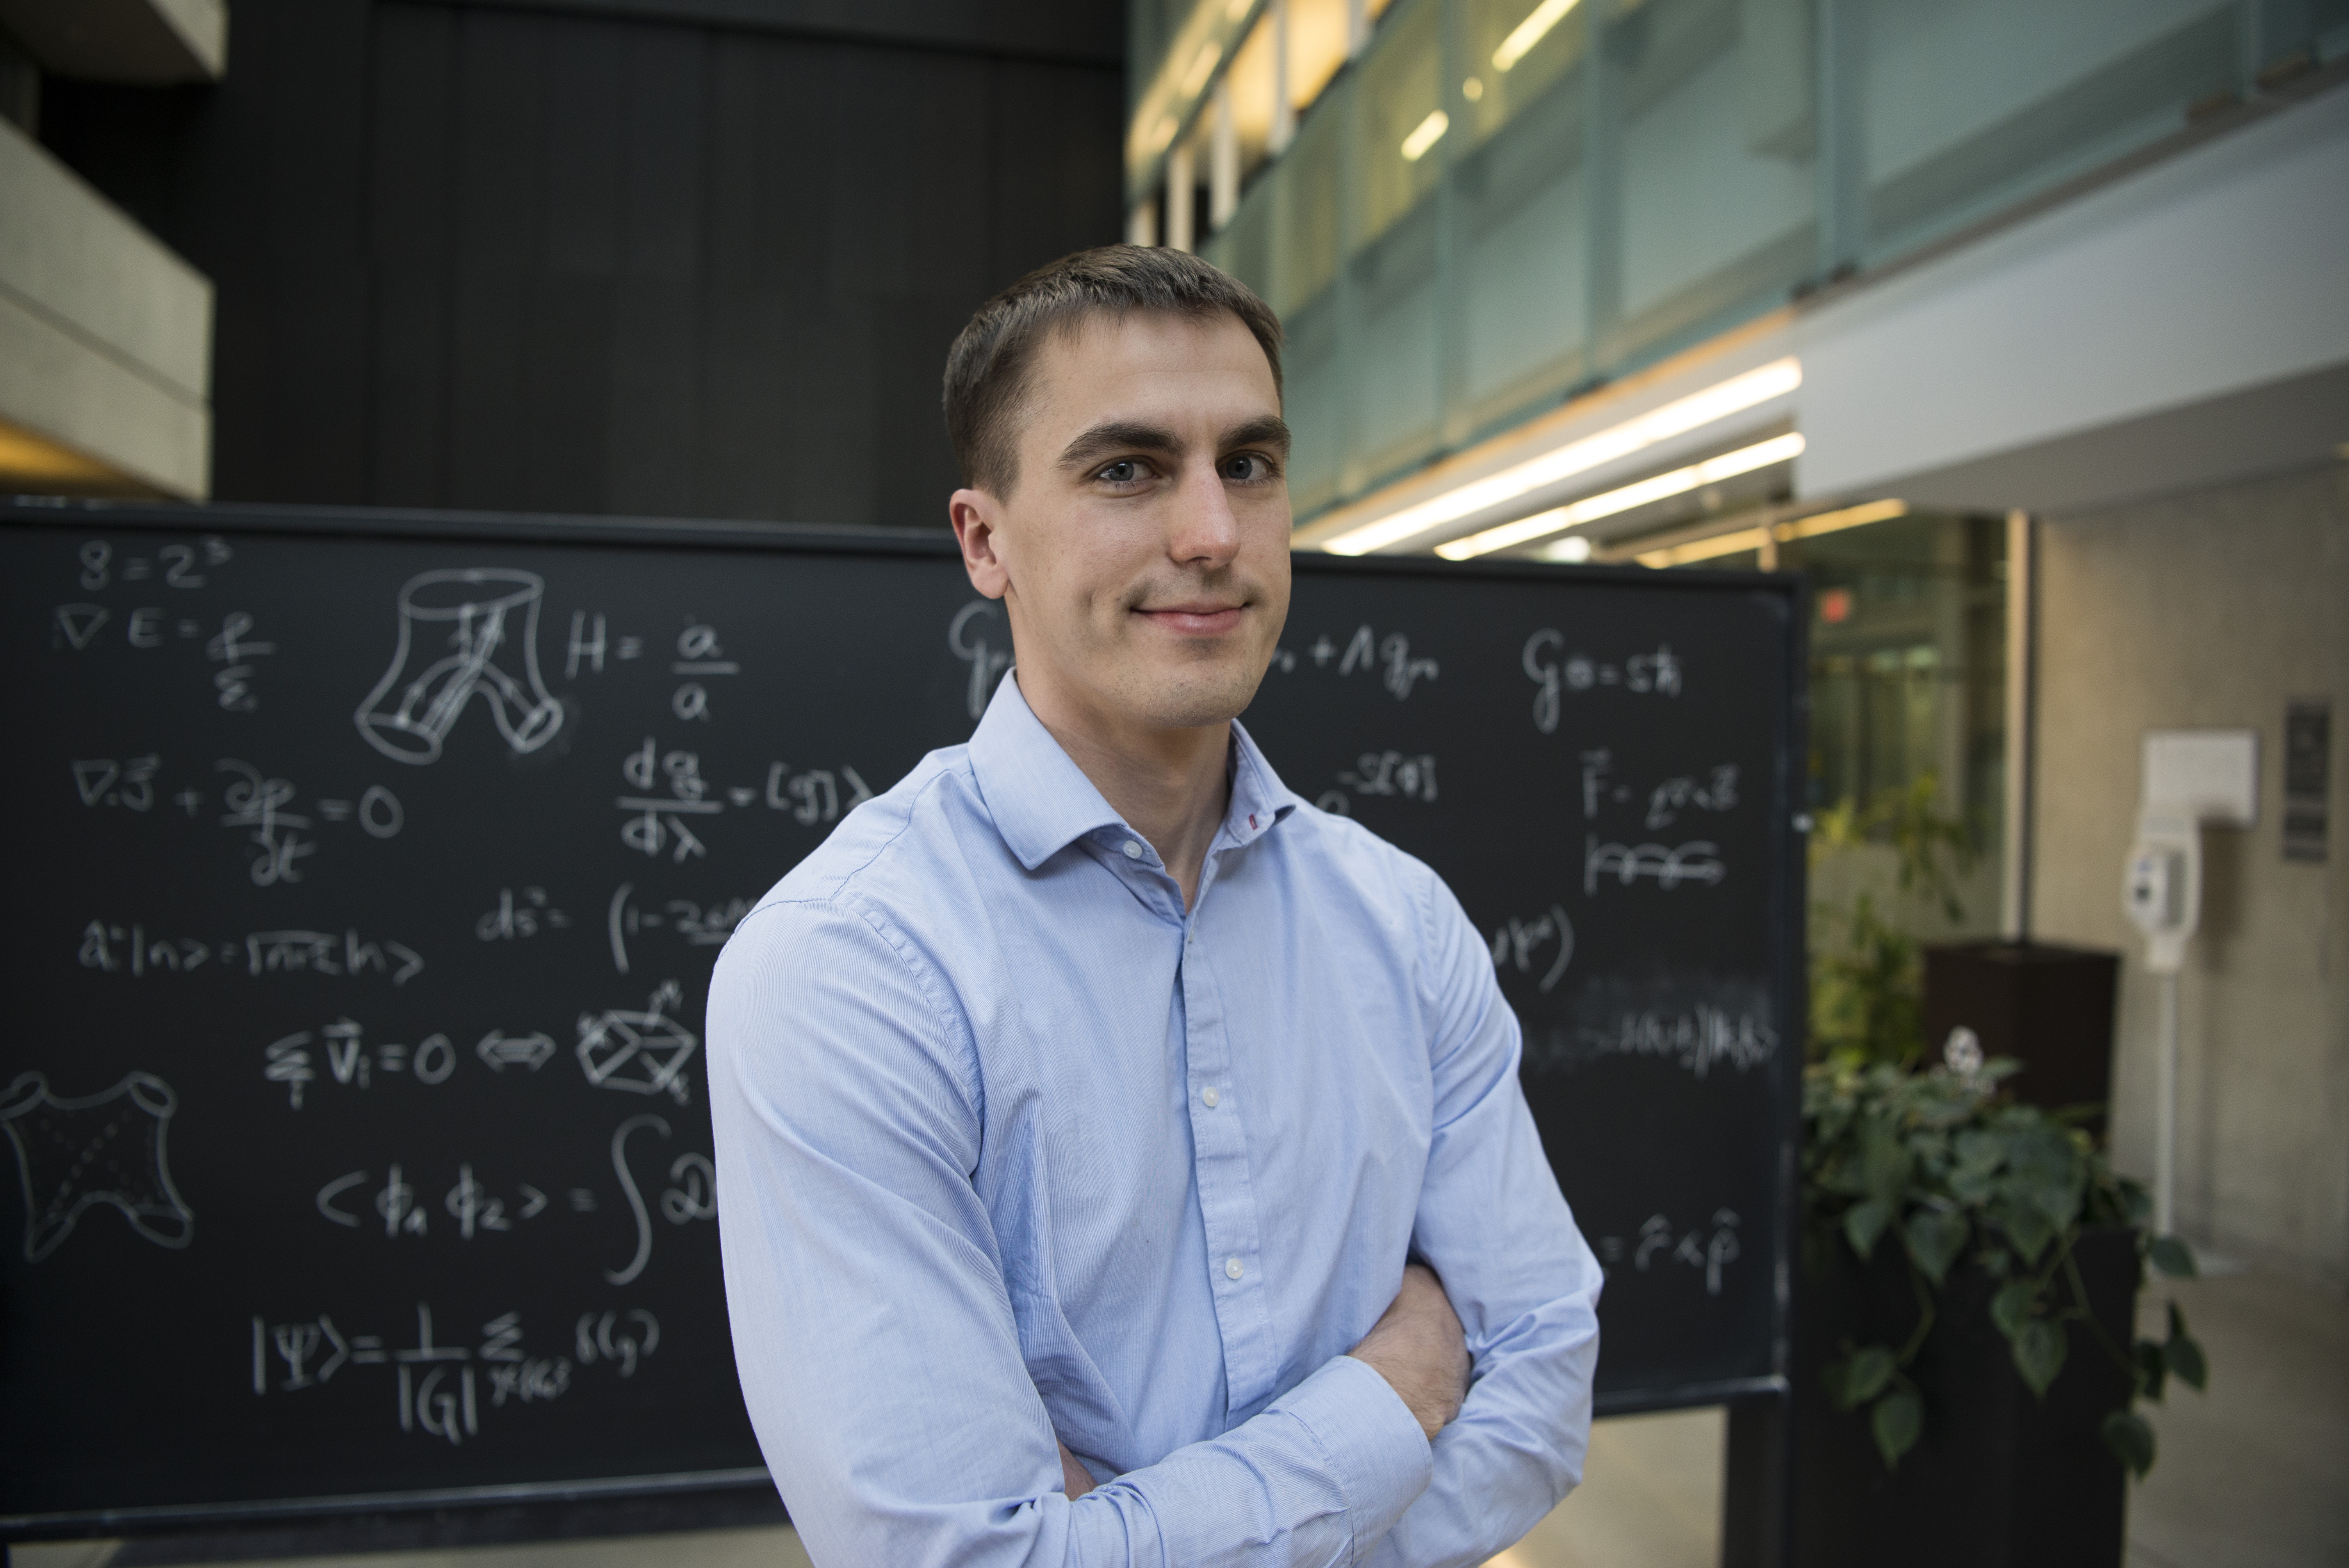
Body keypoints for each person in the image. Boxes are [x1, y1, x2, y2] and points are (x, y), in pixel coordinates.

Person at [707, 244, 1602, 1566]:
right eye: (1127, 469)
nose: (1212, 534)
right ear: (985, 538)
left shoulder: (1400, 924)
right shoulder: (852, 968)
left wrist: (1125, 1530)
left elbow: (1542, 1385)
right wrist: (1397, 1394)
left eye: (1249, 464)